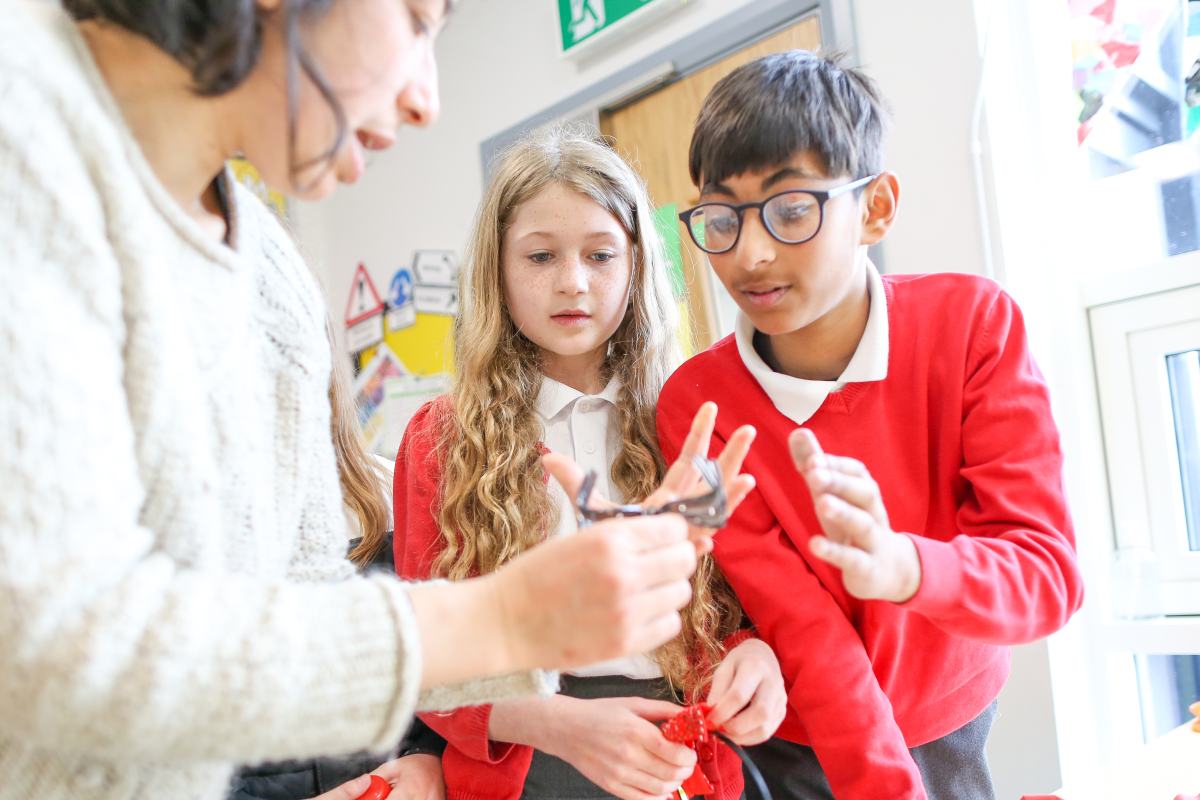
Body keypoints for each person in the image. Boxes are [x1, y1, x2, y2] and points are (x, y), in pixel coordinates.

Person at [0, 3, 716, 798]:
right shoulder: (25, 134)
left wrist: (533, 626)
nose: (426, 100)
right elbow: (49, 642)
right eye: (415, 19)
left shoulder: (273, 278)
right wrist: (502, 619)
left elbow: (301, 601)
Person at [655, 51, 1085, 800]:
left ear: (876, 207)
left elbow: (1046, 573)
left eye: (792, 210)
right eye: (721, 219)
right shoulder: (699, 403)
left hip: (949, 718)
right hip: (794, 730)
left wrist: (907, 567)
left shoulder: (971, 326)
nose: (750, 255)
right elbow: (803, 626)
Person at [392, 126, 787, 800]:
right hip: (527, 755)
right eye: (540, 256)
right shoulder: (440, 437)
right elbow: (421, 658)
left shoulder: (698, 416)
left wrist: (759, 655)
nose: (572, 283)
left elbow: (751, 602)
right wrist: (561, 726)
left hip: (682, 751)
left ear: (635, 264)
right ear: (498, 271)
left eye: (600, 255)